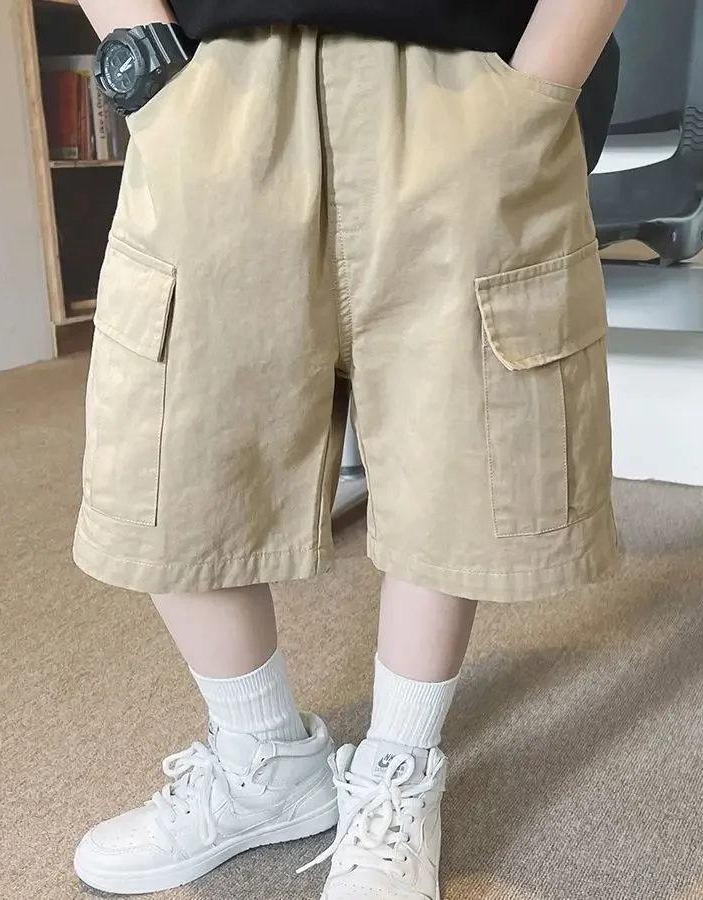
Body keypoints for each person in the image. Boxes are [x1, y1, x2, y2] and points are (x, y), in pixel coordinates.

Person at [71, 1, 626, 897]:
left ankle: (399, 769)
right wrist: (150, 64)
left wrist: (539, 88)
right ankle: (260, 762)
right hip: (212, 79)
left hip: (464, 76)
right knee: (173, 446)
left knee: (461, 440)